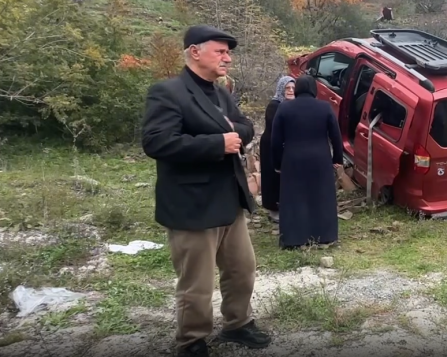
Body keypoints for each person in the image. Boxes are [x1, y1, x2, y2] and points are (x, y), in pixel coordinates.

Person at [141, 25, 272, 357]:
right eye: (221, 51)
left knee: (242, 269)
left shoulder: (221, 93)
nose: (227, 57)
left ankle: (237, 324)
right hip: (192, 204)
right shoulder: (168, 92)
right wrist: (218, 142)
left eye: (229, 52)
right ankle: (192, 340)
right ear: (195, 52)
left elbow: (245, 126)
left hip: (229, 199)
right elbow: (157, 142)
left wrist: (233, 133)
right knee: (196, 283)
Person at [270, 75, 344, 249]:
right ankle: (325, 236)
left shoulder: (284, 108)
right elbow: (336, 136)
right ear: (314, 88)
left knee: (293, 198)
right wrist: (337, 159)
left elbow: (275, 139)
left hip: (292, 159)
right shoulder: (324, 107)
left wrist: (278, 163)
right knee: (322, 196)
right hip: (320, 159)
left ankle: (293, 239)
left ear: (297, 89)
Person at [259, 75, 295, 223]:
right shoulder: (274, 105)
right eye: (287, 88)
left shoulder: (293, 105)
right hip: (271, 145)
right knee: (272, 176)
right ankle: (273, 208)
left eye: (293, 88)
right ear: (281, 89)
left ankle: (286, 205)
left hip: (286, 145)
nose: (291, 91)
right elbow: (277, 127)